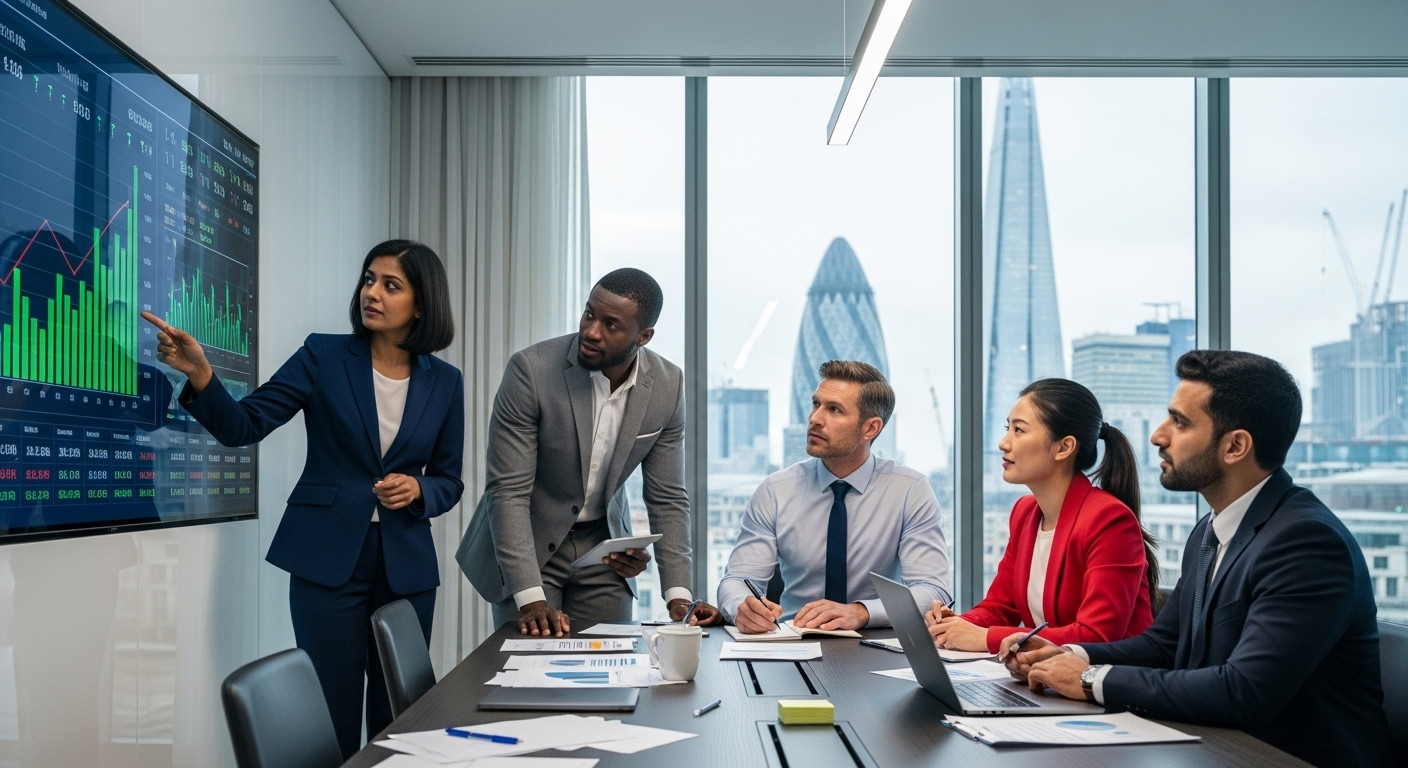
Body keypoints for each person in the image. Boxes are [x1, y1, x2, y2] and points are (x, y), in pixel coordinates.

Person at [142, 240, 465, 759]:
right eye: (368, 279)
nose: (371, 293)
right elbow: (243, 426)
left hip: (405, 565)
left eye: (390, 285)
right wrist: (201, 374)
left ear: (422, 304)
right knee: (330, 718)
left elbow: (450, 480)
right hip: (325, 560)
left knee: (401, 717)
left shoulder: (446, 383)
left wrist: (419, 488)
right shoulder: (324, 354)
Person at [1005, 350, 1392, 768]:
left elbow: (1243, 692)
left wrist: (1089, 679)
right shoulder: (1211, 529)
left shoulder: (1307, 542)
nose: (1157, 436)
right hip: (1212, 748)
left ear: (1235, 446)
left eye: (1180, 422)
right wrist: (1073, 655)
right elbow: (1164, 644)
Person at [456, 268, 721, 635]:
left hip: (604, 551)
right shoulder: (531, 371)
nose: (591, 330)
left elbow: (668, 497)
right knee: (529, 677)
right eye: (589, 313)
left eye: (611, 325)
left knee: (610, 671)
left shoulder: (667, 385)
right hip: (527, 544)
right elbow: (508, 491)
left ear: (643, 336)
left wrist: (679, 595)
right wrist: (531, 598)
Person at [717, 360, 950, 633]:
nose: (815, 418)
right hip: (793, 642)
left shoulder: (909, 490)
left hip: (877, 643)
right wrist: (741, 607)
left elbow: (932, 591)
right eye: (816, 404)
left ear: (870, 429)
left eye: (834, 410)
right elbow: (738, 580)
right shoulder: (776, 490)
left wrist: (861, 612)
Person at [927, 379, 1157, 654]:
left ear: (1064, 447)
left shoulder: (1109, 520)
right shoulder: (1025, 513)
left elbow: (1097, 637)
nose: (1003, 443)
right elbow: (1001, 608)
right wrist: (956, 625)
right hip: (1050, 680)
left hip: (1112, 685)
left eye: (1019, 430)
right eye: (1007, 429)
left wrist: (985, 638)